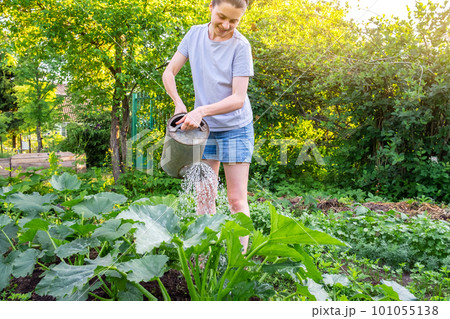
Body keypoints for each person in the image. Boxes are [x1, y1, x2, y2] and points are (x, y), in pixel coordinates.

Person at [162, 0, 253, 252]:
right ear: (210, 7)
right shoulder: (194, 35)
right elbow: (169, 73)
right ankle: (205, 259)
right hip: (204, 131)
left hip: (236, 128)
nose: (226, 25)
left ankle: (239, 261)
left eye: (234, 21)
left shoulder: (241, 46)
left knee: (236, 200)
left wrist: (200, 109)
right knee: (204, 197)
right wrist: (179, 104)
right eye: (222, 16)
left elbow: (238, 98)